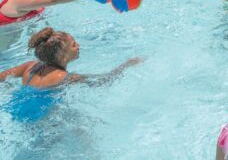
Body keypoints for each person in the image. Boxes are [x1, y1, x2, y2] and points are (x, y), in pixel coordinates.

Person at [0, 27, 142, 122]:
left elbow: (2, 77)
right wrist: (126, 65)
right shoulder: (65, 78)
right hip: (40, 119)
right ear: (62, 55)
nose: (78, 46)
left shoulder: (30, 67)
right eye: (74, 44)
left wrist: (9, 89)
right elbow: (104, 80)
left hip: (15, 111)